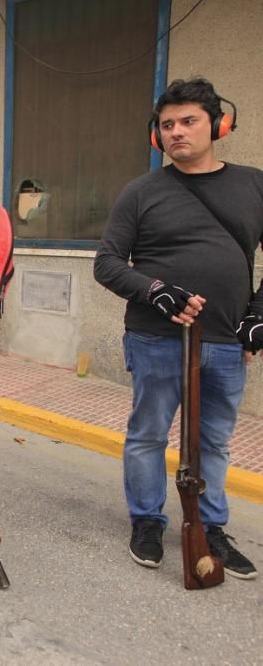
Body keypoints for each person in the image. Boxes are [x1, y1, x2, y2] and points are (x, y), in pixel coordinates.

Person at [94, 78, 259, 580]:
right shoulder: (141, 191)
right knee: (147, 435)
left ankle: (211, 529)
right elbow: (106, 263)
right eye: (167, 125)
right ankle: (147, 521)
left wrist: (258, 316)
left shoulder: (254, 185)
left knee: (214, 443)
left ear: (218, 124)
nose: (176, 132)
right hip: (154, 338)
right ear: (156, 135)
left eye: (188, 121)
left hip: (227, 342)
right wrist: (155, 291)